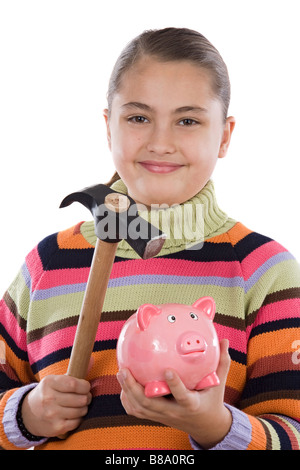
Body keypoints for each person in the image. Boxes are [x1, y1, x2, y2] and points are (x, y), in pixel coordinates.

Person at [0, 27, 299, 451]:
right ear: (109, 126)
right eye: (139, 118)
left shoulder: (263, 270)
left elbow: (294, 433)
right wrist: (25, 414)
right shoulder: (48, 264)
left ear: (225, 136)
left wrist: (216, 426)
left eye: (188, 120)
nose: (160, 143)